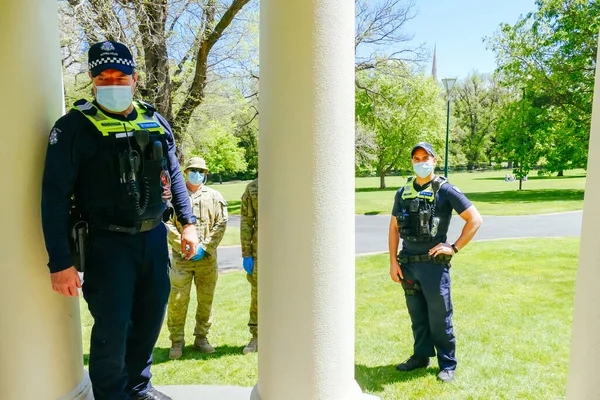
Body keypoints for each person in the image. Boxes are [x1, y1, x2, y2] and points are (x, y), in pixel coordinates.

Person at [41, 41, 199, 400]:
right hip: (106, 243)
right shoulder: (72, 128)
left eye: (120, 76)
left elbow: (173, 172)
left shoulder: (154, 119)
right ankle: (112, 395)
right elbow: (52, 196)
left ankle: (139, 388)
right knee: (113, 327)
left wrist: (187, 223)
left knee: (149, 317)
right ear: (93, 81)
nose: (112, 83)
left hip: (153, 238)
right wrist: (60, 263)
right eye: (103, 77)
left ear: (135, 77)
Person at [388, 142, 482, 383]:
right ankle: (420, 357)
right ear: (412, 162)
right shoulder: (402, 192)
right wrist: (393, 262)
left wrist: (453, 247)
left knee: (440, 317)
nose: (421, 162)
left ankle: (447, 364)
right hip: (408, 263)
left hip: (434, 267)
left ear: (435, 160)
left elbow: (474, 219)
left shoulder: (446, 190)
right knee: (418, 316)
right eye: (416, 158)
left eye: (425, 158)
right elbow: (394, 227)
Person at [167, 157, 228, 359]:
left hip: (206, 259)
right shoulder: (174, 197)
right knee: (177, 300)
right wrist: (183, 245)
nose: (197, 173)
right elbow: (165, 224)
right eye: (193, 170)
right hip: (181, 259)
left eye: (201, 171)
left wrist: (205, 247)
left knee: (205, 300)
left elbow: (222, 223)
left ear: (205, 174)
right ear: (185, 172)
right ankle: (176, 341)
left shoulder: (214, 196)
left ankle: (201, 338)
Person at [240, 178, 259, 354]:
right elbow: (246, 221)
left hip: (285, 249)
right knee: (257, 293)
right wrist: (246, 254)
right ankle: (257, 336)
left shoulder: (288, 182)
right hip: (259, 250)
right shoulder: (253, 188)